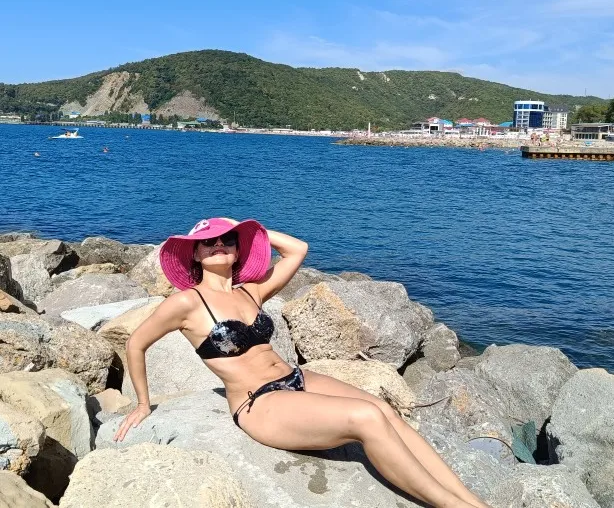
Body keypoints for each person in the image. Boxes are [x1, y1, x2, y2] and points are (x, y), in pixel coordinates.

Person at [113, 217, 490, 508]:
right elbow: (136, 343)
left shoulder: (252, 291)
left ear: (238, 250)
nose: (218, 245)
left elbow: (297, 249)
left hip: (295, 378)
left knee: (384, 409)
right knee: (366, 418)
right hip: (258, 403)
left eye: (227, 240)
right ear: (195, 254)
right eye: (208, 242)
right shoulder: (186, 302)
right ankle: (453, 506)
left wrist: (247, 228)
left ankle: (471, 499)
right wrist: (143, 404)